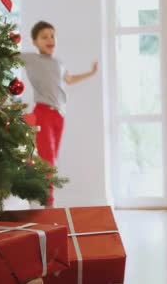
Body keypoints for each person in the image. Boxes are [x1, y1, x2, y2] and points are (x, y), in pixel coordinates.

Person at [25, 21, 98, 207]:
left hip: (59, 116)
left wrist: (91, 72)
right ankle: (48, 203)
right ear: (34, 42)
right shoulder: (31, 59)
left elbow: (70, 79)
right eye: (44, 37)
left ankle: (42, 197)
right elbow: (9, 55)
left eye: (52, 36)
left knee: (52, 160)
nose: (50, 39)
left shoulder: (59, 62)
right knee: (47, 160)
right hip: (42, 113)